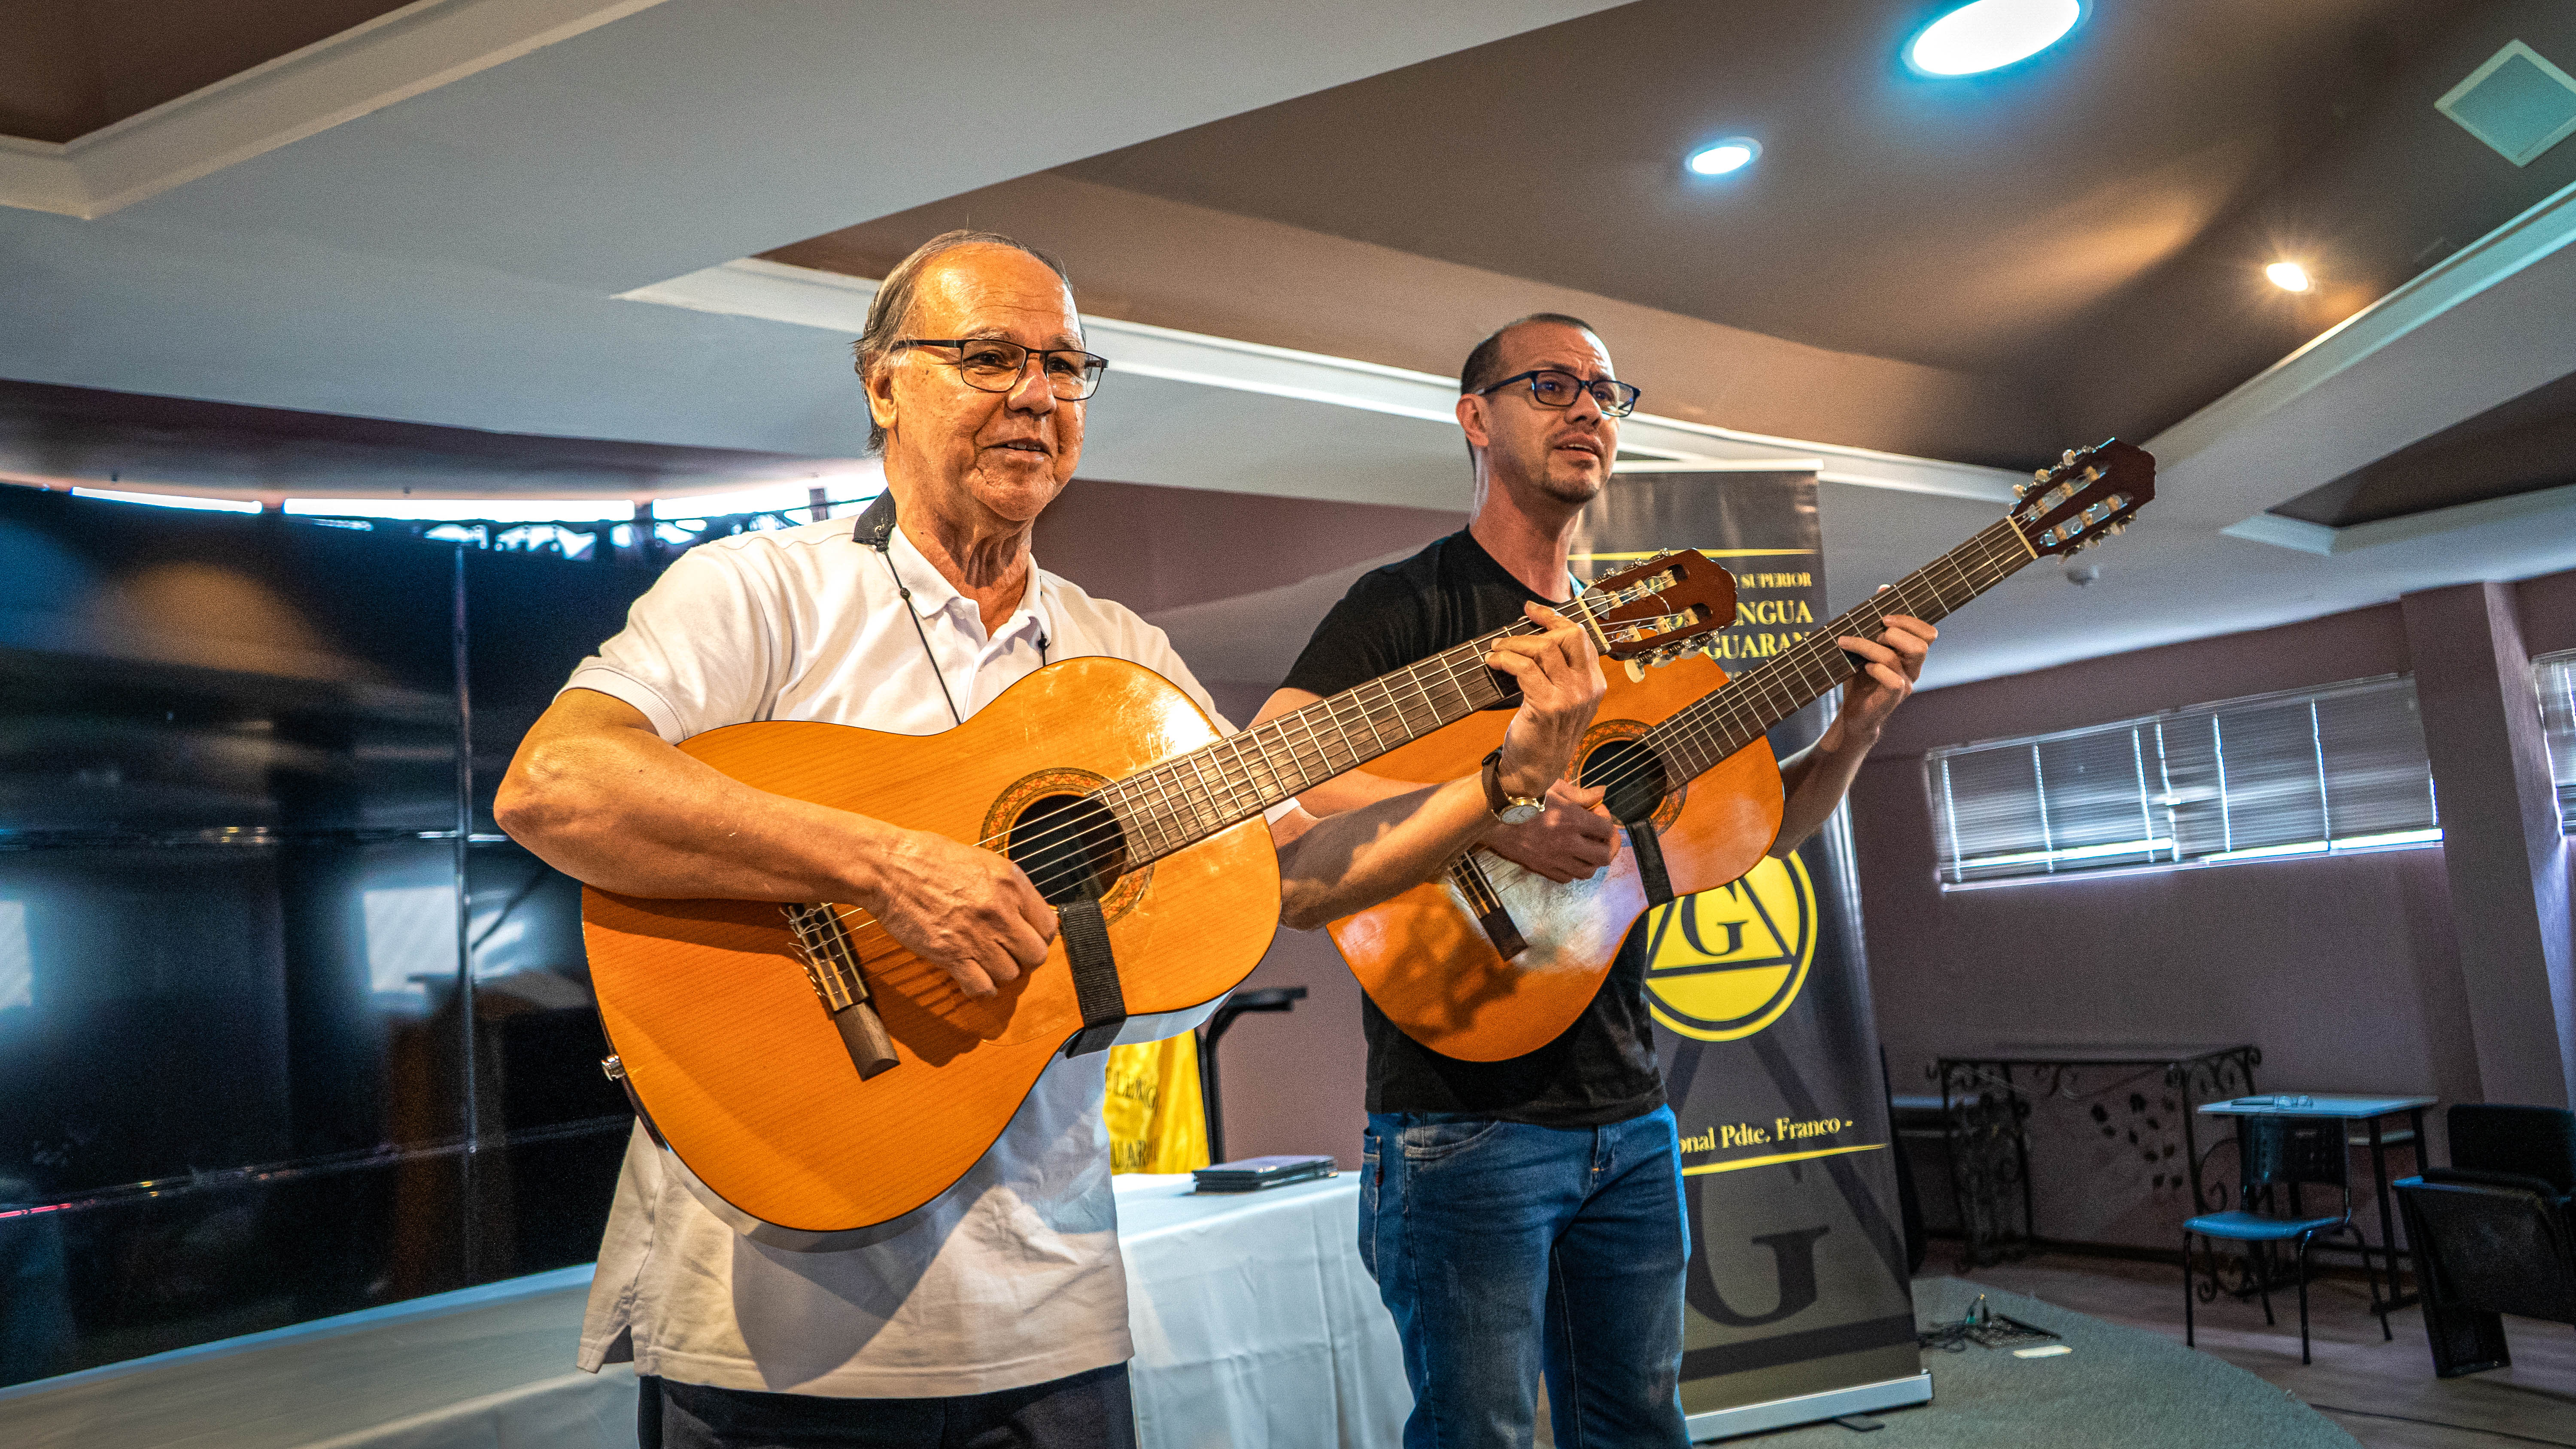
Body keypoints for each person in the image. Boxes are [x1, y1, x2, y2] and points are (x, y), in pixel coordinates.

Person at [492, 237, 1606, 1449]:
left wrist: (1497, 781)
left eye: (1067, 366)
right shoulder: (760, 591)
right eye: (989, 357)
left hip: (1049, 1314)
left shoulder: (1123, 653)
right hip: (772, 1322)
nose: (1036, 393)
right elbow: (557, 785)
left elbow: (1294, 873)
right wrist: (880, 867)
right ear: (881, 385)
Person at [1255, 312, 1935, 1448]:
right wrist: (1491, 817)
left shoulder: (1638, 622)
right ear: (1475, 418)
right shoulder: (1403, 604)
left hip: (1627, 1110)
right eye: (1550, 385)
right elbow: (1274, 788)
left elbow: (1741, 835)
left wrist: (1857, 731)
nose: (1586, 410)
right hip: (1458, 1123)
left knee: (1639, 1425)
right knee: (1479, 1432)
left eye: (1606, 395)